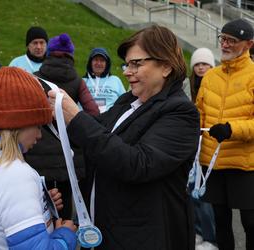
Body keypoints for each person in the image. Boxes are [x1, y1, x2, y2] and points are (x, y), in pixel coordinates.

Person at [49, 25, 200, 249]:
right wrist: (53, 114)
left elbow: (137, 163)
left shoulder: (180, 112)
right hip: (110, 229)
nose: (127, 72)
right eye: (127, 64)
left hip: (145, 237)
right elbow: (92, 135)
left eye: (136, 64)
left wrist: (75, 116)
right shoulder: (128, 101)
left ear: (166, 67)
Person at [0, 66, 77, 250]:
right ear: (18, 124)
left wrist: (39, 204)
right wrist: (65, 235)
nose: (39, 135)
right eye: (38, 126)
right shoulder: (15, 176)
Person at [26, 33, 99, 220]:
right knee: (65, 209)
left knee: (39, 208)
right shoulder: (77, 81)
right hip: (68, 155)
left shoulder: (34, 79)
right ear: (71, 56)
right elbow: (93, 113)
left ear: (49, 54)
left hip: (36, 151)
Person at [196, 18, 254, 250]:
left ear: (249, 44)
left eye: (232, 40)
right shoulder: (210, 76)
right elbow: (199, 114)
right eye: (223, 39)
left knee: (251, 223)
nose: (225, 45)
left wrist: (231, 129)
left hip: (246, 164)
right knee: (219, 221)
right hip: (213, 162)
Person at [188, 48, 218, 250]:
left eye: (204, 64)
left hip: (210, 145)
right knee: (191, 192)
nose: (200, 68)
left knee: (206, 195)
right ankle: (197, 232)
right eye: (197, 64)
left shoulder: (216, 86)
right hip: (192, 144)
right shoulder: (187, 87)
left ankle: (211, 236)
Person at [83, 47, 126, 113]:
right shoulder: (83, 81)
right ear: (90, 63)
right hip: (86, 119)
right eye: (96, 60)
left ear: (107, 64)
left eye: (102, 60)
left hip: (110, 120)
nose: (99, 63)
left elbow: (125, 101)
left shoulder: (115, 80)